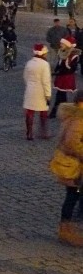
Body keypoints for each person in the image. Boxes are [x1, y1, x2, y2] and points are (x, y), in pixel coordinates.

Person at [53, 89, 83, 246]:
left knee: (73, 196)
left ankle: (67, 228)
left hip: (71, 165)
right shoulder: (78, 119)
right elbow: (73, 143)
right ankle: (65, 230)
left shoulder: (73, 115)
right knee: (72, 196)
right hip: (74, 166)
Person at [23, 43, 52, 141]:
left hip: (30, 89)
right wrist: (48, 94)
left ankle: (29, 133)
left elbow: (25, 77)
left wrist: (30, 84)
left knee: (30, 111)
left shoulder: (29, 63)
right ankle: (44, 133)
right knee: (43, 112)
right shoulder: (45, 64)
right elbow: (46, 81)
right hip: (41, 91)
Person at [49, 35, 80, 118]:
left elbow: (72, 69)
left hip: (66, 78)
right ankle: (61, 112)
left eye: (62, 43)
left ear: (67, 45)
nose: (60, 45)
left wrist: (58, 73)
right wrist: (55, 71)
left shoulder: (73, 56)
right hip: (61, 77)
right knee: (61, 95)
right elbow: (59, 65)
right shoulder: (62, 52)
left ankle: (57, 112)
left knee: (61, 95)